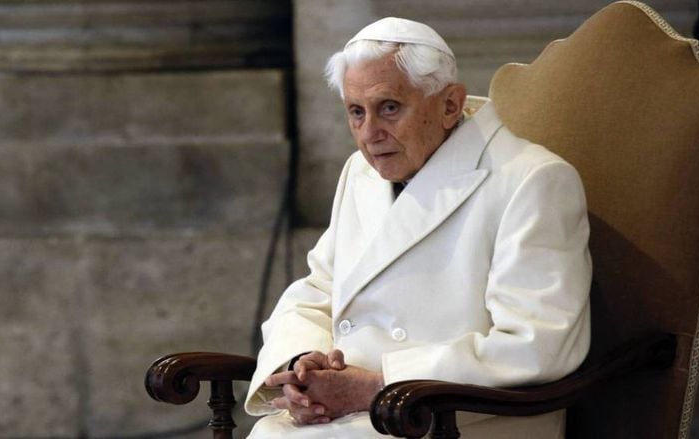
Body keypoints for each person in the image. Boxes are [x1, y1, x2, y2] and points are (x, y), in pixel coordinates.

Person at [244, 17, 591, 438]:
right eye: (356, 112)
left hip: (458, 419)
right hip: (359, 415)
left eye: (389, 108)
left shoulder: (531, 179)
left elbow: (537, 343)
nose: (369, 134)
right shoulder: (361, 172)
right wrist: (301, 368)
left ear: (449, 105)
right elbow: (319, 289)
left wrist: (376, 387)